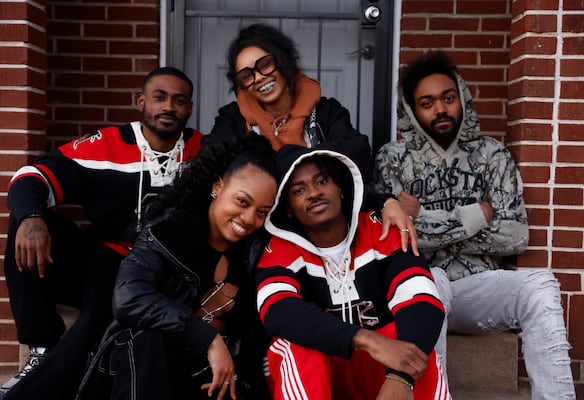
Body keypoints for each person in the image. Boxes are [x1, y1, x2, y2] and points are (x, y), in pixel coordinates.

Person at [373, 51, 576, 399]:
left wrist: (423, 218)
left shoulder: (491, 155)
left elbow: (515, 234)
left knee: (541, 284)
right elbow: (399, 237)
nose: (441, 109)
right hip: (422, 288)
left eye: (448, 98)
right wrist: (479, 215)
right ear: (411, 110)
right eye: (428, 102)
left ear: (461, 98)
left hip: (479, 290)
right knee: (431, 281)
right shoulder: (393, 159)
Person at [0, 67, 204, 400]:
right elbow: (32, 175)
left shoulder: (204, 150)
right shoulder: (108, 144)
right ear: (141, 101)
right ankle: (41, 348)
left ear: (190, 108)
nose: (169, 107)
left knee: (97, 316)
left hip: (167, 271)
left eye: (179, 101)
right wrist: (32, 216)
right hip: (110, 256)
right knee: (26, 223)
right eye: (160, 97)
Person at [76, 134, 277, 400]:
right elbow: (129, 298)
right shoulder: (167, 232)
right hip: (149, 368)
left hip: (211, 376)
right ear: (218, 186)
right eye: (242, 201)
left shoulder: (255, 252)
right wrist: (207, 338)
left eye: (262, 212)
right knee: (148, 339)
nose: (250, 218)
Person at [205, 23, 419, 255]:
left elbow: (358, 160)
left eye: (265, 64)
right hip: (257, 238)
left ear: (283, 60)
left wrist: (385, 201)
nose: (258, 78)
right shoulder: (233, 118)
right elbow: (210, 165)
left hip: (323, 234)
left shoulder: (326, 112)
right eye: (246, 75)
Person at [255, 145, 449, 400]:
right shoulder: (281, 247)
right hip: (322, 376)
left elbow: (423, 301)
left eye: (321, 181)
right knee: (294, 345)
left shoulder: (381, 229)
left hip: (380, 374)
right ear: (288, 207)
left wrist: (400, 377)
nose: (314, 193)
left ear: (340, 187)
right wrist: (366, 340)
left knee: (414, 345)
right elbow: (277, 311)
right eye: (299, 190)